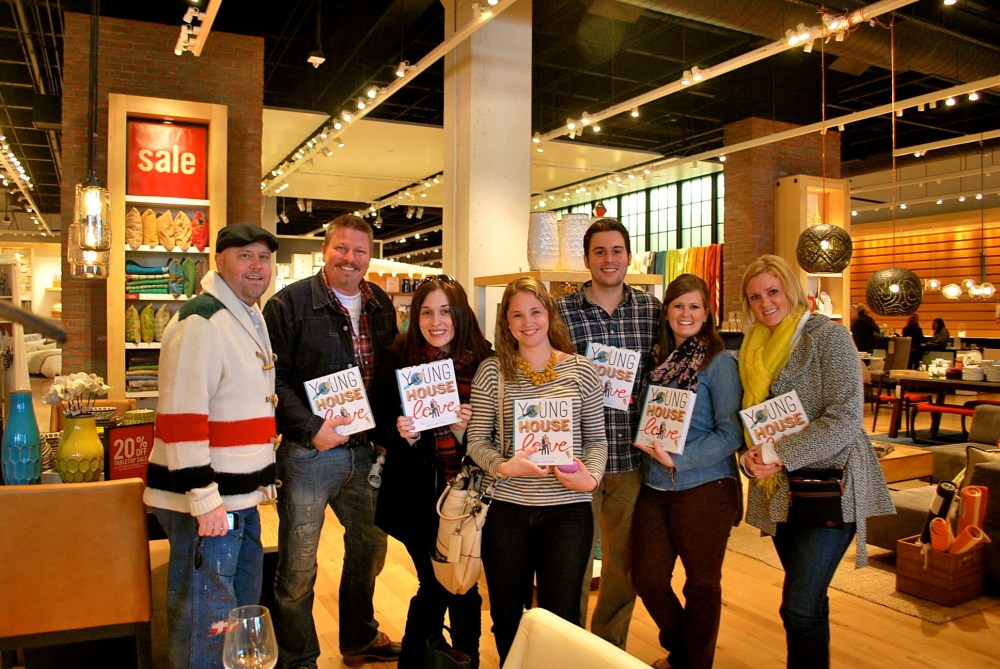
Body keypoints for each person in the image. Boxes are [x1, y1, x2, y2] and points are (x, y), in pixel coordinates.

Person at [738, 255, 894, 669]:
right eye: (755, 297)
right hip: (783, 493)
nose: (765, 303)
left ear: (792, 289)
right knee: (809, 599)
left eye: (773, 292)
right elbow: (752, 419)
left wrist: (776, 454)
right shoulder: (754, 347)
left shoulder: (829, 337)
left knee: (799, 606)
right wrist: (749, 457)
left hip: (831, 485)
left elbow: (844, 418)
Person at [263, 214, 401, 667]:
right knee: (299, 566)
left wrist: (388, 432)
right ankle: (298, 658)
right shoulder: (288, 304)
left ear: (369, 256)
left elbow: (391, 373)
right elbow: (274, 380)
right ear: (325, 250)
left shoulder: (380, 302)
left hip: (367, 453)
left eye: (360, 251)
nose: (350, 258)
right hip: (310, 453)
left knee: (370, 548)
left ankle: (359, 637)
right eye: (342, 248)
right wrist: (308, 428)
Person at [144, 223, 280, 669]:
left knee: (233, 616)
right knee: (207, 620)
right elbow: (182, 418)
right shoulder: (202, 321)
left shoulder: (244, 314)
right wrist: (204, 500)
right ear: (218, 262)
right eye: (244, 256)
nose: (256, 266)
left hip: (238, 499)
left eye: (263, 257)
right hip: (210, 502)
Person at [467, 276, 608, 663]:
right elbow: (476, 441)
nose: (528, 322)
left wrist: (590, 476)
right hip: (506, 512)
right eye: (517, 315)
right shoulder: (492, 372)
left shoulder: (581, 371)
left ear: (548, 314)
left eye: (535, 312)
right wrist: (504, 466)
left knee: (561, 616)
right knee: (506, 615)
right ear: (506, 323)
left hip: (567, 513)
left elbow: (597, 440)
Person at [371, 275, 492, 668]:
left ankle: (452, 658)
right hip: (415, 494)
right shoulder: (398, 355)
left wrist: (465, 429)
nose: (435, 321)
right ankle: (434, 659)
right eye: (426, 312)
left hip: (470, 494)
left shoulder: (484, 359)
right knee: (440, 581)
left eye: (445, 311)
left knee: (464, 583)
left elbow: (497, 431)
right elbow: (378, 418)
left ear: (460, 314)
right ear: (415, 315)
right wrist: (401, 433)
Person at [556, 217, 660, 647]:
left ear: (629, 256)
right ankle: (568, 647)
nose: (609, 259)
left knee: (623, 564)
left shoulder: (652, 311)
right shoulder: (561, 311)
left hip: (632, 459)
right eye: (599, 251)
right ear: (586, 259)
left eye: (616, 250)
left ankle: (607, 647)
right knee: (572, 562)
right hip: (577, 458)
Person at [630, 273, 742, 669]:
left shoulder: (719, 363)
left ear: (707, 313)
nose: (686, 313)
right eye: (678, 305)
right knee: (646, 577)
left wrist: (680, 458)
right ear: (666, 311)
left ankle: (692, 663)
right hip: (654, 483)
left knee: (702, 583)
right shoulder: (657, 359)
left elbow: (731, 433)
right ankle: (685, 648)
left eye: (694, 306)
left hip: (705, 484)